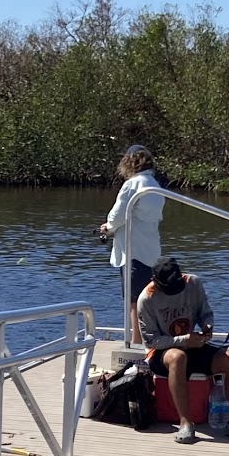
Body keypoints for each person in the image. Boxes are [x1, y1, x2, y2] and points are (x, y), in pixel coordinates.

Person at [137, 257, 229, 445]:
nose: (175, 291)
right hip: (162, 352)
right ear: (155, 282)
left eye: (178, 286)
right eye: (169, 289)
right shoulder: (146, 298)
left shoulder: (193, 283)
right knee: (178, 357)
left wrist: (207, 326)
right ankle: (185, 423)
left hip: (193, 344)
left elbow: (205, 313)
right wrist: (184, 341)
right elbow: (151, 340)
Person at [97, 144, 164, 346]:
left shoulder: (132, 185)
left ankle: (136, 342)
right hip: (151, 251)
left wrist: (107, 228)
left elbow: (117, 215)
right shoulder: (154, 185)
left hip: (132, 251)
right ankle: (146, 338)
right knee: (147, 297)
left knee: (134, 299)